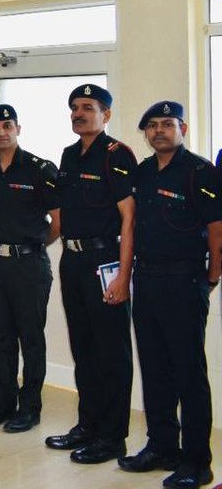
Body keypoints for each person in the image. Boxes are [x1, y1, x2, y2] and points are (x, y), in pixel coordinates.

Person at [118, 101, 220, 488]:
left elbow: (218, 233)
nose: (159, 131)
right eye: (152, 126)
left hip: (183, 282)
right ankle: (162, 447)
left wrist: (208, 280)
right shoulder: (142, 173)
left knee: (189, 374)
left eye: (167, 124)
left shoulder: (201, 172)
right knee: (156, 369)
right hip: (146, 281)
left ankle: (197, 462)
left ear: (184, 128)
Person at [45, 84, 137, 465]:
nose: (78, 114)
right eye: (74, 108)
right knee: (84, 348)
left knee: (111, 352)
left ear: (106, 115)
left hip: (106, 262)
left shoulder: (117, 155)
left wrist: (122, 276)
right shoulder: (69, 155)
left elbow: (130, 219)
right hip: (74, 261)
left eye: (87, 107)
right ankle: (88, 426)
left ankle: (113, 438)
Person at [0, 105, 60, 433]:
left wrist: (33, 246)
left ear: (18, 129)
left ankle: (30, 408)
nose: (2, 132)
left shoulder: (40, 169)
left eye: (7, 126)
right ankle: (4, 403)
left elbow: (58, 222)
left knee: (31, 338)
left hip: (29, 264)